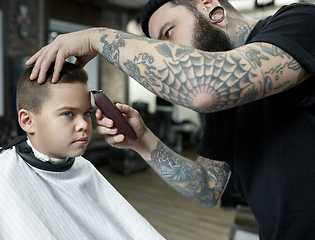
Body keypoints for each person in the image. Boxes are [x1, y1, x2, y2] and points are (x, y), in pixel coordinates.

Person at [26, 0, 315, 239]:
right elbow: (207, 188)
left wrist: (97, 37)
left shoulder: (301, 21)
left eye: (168, 33)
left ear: (209, 6)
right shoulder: (226, 104)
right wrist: (142, 141)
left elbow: (203, 89)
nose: (170, 51)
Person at [0, 62, 165, 240]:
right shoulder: (0, 179)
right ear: (27, 121)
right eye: (67, 114)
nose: (83, 124)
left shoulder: (83, 168)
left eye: (86, 113)